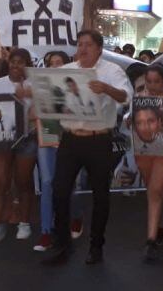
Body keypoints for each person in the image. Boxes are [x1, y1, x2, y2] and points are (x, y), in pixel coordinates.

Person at [43, 30, 132, 265]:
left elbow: (126, 97)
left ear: (99, 48)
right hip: (71, 138)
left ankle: (96, 245)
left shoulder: (112, 71)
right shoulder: (65, 72)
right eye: (80, 44)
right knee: (59, 190)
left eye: (88, 45)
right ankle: (62, 243)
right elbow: (49, 99)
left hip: (98, 139)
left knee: (100, 195)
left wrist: (107, 89)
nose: (83, 49)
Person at [0, 48, 37, 244]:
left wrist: (26, 97)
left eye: (20, 62)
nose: (15, 65)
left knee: (23, 181)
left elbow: (40, 110)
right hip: (2, 139)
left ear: (27, 65)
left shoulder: (34, 84)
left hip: (27, 139)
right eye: (13, 61)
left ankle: (24, 222)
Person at [34, 51, 83, 252]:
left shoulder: (76, 88)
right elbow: (32, 114)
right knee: (47, 182)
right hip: (47, 140)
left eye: (58, 62)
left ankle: (75, 217)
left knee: (74, 181)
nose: (54, 66)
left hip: (71, 139)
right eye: (50, 63)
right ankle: (46, 230)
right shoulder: (41, 88)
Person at [128, 63, 163, 262]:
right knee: (152, 191)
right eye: (149, 81)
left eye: (157, 81)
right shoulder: (138, 99)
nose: (153, 85)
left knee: (156, 190)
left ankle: (150, 240)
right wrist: (128, 120)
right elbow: (130, 118)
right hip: (144, 151)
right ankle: (160, 227)